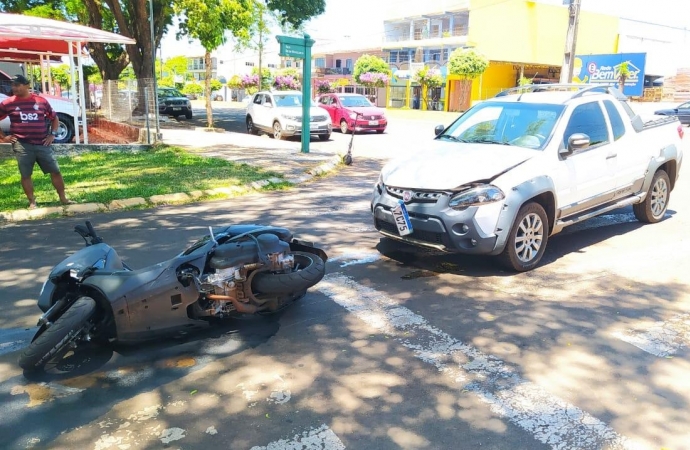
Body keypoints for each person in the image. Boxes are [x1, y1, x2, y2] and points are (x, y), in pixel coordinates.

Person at [0, 74, 71, 209]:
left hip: (42, 143)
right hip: (22, 144)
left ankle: (63, 198)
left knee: (55, 170)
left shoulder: (41, 101)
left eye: (17, 85)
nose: (14, 87)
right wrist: (4, 137)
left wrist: (53, 134)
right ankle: (32, 202)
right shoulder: (7, 103)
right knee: (26, 174)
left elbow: (54, 118)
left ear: (26, 85)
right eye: (13, 85)